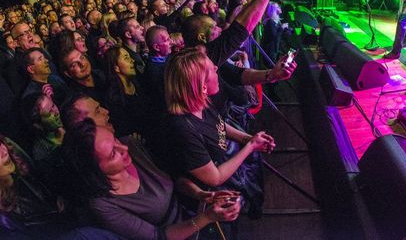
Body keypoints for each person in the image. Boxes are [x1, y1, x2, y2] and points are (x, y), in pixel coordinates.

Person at [61, 119, 240, 240]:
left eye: (115, 140)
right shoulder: (103, 204)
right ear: (95, 169)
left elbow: (173, 179)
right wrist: (207, 217)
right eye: (113, 153)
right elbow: (157, 236)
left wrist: (200, 194)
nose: (124, 148)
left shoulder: (132, 144)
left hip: (192, 215)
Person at [155, 49, 275, 222]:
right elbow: (215, 177)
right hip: (208, 199)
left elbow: (218, 124)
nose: (217, 69)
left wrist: (247, 138)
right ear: (202, 86)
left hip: (227, 171)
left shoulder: (200, 102)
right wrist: (251, 146)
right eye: (212, 70)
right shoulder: (182, 128)